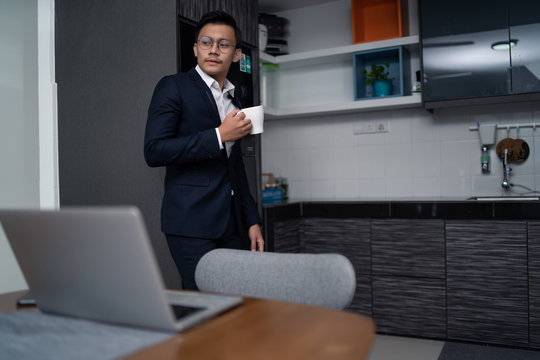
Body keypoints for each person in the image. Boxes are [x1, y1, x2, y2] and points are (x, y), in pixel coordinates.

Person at [144, 10, 264, 290]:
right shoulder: (173, 87)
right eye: (206, 42)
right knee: (204, 307)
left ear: (235, 54)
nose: (214, 49)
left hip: (233, 226)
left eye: (223, 44)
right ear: (196, 48)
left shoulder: (235, 100)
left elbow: (235, 169)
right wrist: (219, 135)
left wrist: (252, 220)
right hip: (190, 225)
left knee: (235, 305)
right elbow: (154, 150)